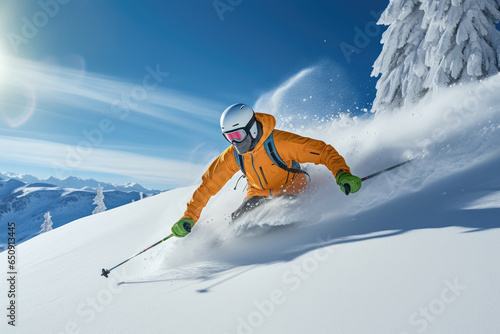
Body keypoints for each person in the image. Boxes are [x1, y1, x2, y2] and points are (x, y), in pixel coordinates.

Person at [171, 103, 362, 237]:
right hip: (258, 192)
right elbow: (208, 186)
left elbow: (322, 151)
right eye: (229, 138)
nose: (235, 143)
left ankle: (300, 236)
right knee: (238, 220)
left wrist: (341, 173)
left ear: (252, 128)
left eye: (238, 135)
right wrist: (189, 217)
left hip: (291, 187)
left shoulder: (281, 142)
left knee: (285, 208)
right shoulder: (233, 155)